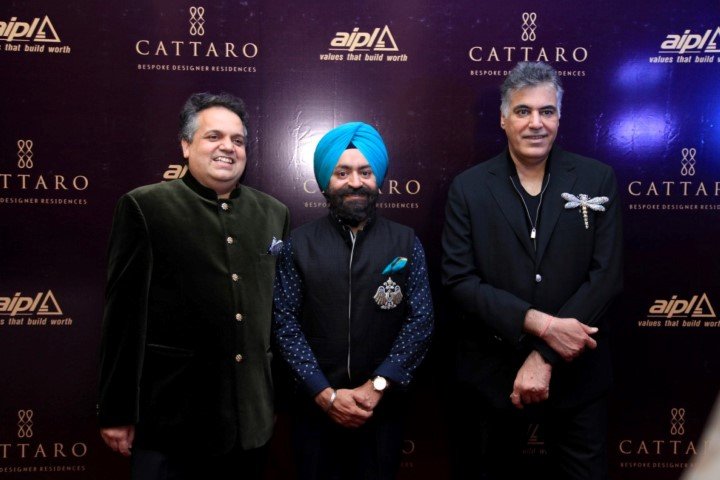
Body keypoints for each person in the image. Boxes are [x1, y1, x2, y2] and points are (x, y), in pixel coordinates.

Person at [441, 62, 623, 480]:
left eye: (547, 111)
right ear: (503, 119)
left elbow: (606, 277)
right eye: (523, 111)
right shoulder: (468, 188)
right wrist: (539, 324)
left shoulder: (597, 179)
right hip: (491, 377)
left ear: (559, 117)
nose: (536, 123)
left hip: (578, 376)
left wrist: (545, 355)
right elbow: (459, 280)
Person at [97, 92, 290, 479]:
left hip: (249, 427)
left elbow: (275, 317)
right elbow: (123, 320)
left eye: (238, 140)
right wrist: (117, 411)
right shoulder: (145, 207)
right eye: (213, 136)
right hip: (171, 422)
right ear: (186, 146)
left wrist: (270, 400)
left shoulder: (274, 213)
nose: (228, 147)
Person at [272, 122, 434, 480]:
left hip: (380, 410)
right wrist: (324, 394)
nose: (355, 182)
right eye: (342, 173)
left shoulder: (406, 242)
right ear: (325, 181)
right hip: (315, 410)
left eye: (365, 172)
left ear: (378, 179)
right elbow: (284, 322)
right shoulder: (299, 244)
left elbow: (420, 321)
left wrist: (377, 386)